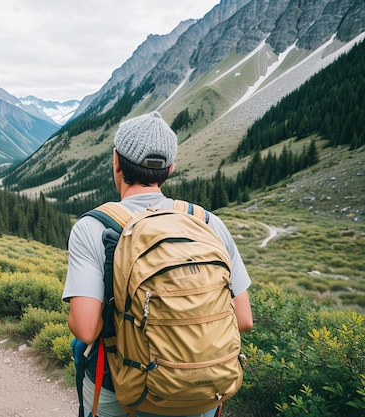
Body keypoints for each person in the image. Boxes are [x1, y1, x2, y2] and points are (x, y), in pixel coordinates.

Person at [63, 111, 254, 417]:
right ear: (170, 168)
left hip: (124, 391)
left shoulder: (94, 227)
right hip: (204, 391)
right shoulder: (207, 222)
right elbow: (243, 320)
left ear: (116, 161)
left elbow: (86, 328)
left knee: (79, 347)